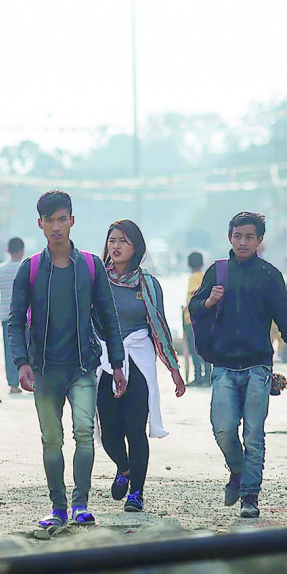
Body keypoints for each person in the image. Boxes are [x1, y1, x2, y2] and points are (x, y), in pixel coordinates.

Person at [7, 190, 125, 534]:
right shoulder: (29, 269)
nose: (56, 226)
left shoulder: (90, 266)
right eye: (49, 220)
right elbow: (14, 320)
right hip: (44, 369)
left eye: (62, 219)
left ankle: (81, 504)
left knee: (85, 432)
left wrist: (117, 363)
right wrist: (21, 362)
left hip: (83, 366)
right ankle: (58, 507)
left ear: (72, 221)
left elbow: (109, 315)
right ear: (40, 224)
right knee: (51, 439)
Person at [188, 212, 287, 519]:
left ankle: (249, 496)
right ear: (229, 237)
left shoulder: (270, 276)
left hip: (258, 366)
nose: (243, 242)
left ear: (259, 240)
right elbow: (193, 309)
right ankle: (238, 470)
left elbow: (286, 320)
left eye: (250, 237)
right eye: (238, 236)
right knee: (223, 429)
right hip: (224, 367)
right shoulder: (217, 272)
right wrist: (208, 302)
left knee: (254, 434)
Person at [98, 220, 187, 514]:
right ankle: (123, 468)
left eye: (123, 241)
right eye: (112, 240)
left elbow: (158, 325)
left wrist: (174, 368)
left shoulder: (147, 283)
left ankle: (136, 492)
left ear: (136, 248)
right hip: (104, 360)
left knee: (135, 428)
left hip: (138, 359)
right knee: (108, 430)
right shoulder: (96, 279)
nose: (116, 246)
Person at [0, 237, 27, 394]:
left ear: (8, 251)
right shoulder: (28, 267)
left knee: (11, 351)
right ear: (22, 250)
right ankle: (33, 381)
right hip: (27, 317)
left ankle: (14, 384)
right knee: (32, 349)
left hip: (7, 318)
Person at [184, 252, 211, 386]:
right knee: (206, 348)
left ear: (189, 264)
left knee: (194, 349)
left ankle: (198, 377)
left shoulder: (193, 278)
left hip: (192, 319)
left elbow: (194, 294)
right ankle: (208, 376)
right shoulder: (206, 276)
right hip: (206, 318)